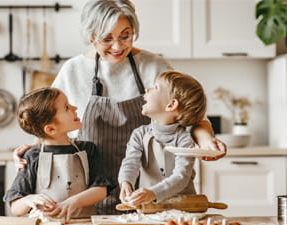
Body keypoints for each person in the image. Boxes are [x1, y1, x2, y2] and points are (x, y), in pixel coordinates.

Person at [13, 0, 227, 214]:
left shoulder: (153, 65)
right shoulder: (73, 70)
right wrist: (32, 152)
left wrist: (207, 140)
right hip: (90, 193)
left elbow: (192, 114)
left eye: (125, 36)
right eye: (107, 38)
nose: (117, 47)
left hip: (151, 194)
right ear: (91, 36)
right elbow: (48, 123)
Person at [3, 87, 115, 222]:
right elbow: (15, 208)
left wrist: (72, 202)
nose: (74, 108)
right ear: (50, 129)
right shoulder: (32, 156)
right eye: (67, 107)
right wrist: (28, 200)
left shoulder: (88, 149)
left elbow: (101, 190)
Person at [118, 70, 206, 206]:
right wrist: (126, 182)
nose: (147, 89)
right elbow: (131, 162)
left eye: (155, 88)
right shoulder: (139, 134)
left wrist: (153, 193)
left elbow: (181, 177)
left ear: (170, 105)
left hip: (183, 208)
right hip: (149, 208)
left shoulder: (185, 139)